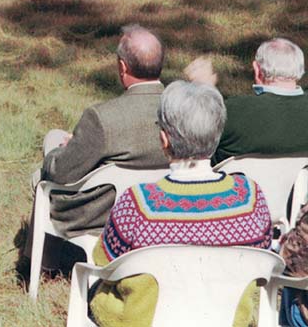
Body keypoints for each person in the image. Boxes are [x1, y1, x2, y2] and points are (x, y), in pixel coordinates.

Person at [90, 81, 272, 327]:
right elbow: (262, 261)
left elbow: (103, 261)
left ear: (163, 139)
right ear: (217, 135)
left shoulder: (139, 204)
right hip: (229, 320)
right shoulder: (250, 198)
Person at [28, 25, 169, 270]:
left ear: (122, 67)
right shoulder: (182, 109)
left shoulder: (102, 118)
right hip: (163, 205)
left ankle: (41, 263)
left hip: (101, 212)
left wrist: (58, 152)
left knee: (44, 169)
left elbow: (61, 173)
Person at [185, 37, 308, 165]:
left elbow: (194, 142)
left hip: (237, 184)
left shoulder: (234, 111)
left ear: (257, 69)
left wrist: (205, 92)